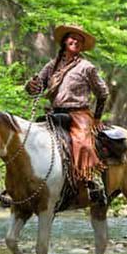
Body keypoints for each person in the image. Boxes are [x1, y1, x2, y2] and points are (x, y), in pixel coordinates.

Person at [25, 24, 109, 204]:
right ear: (64, 41)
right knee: (31, 138)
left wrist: (97, 118)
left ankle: (91, 183)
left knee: (83, 144)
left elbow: (103, 93)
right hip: (54, 113)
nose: (75, 42)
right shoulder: (52, 65)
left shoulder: (87, 67)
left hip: (79, 114)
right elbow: (38, 87)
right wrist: (31, 86)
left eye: (79, 40)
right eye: (72, 38)